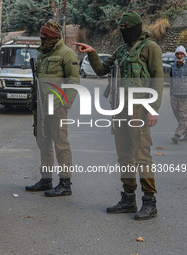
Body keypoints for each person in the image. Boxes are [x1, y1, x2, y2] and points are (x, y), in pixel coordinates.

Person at [74, 11, 164, 220]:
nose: (123, 32)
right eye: (120, 29)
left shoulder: (151, 48)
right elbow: (101, 70)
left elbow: (157, 79)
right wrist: (92, 53)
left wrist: (153, 109)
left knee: (142, 156)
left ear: (136, 27)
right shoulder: (122, 50)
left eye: (126, 29)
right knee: (124, 155)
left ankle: (150, 201)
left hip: (140, 108)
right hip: (120, 109)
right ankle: (128, 198)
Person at [25, 19, 79, 197]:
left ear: (55, 36)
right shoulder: (42, 54)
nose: (43, 38)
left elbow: (73, 82)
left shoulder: (67, 54)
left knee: (61, 144)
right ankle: (46, 179)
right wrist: (32, 100)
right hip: (40, 108)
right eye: (41, 34)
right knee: (44, 144)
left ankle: (65, 183)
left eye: (46, 35)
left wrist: (65, 104)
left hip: (57, 108)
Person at [170, 45, 187, 143]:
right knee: (178, 116)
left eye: (181, 54)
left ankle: (177, 135)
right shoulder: (173, 66)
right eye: (178, 54)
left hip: (185, 96)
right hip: (174, 96)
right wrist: (171, 93)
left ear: (184, 55)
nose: (179, 56)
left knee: (183, 116)